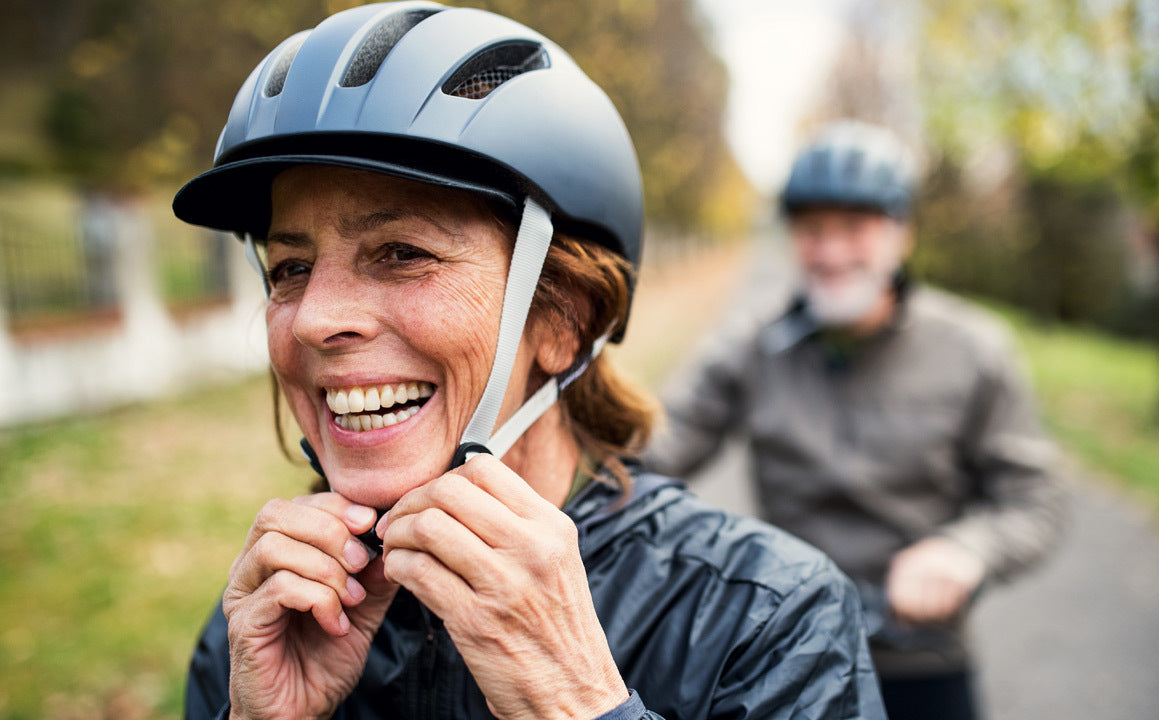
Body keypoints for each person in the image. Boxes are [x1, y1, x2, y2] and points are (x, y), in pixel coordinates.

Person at [173, 5, 886, 719]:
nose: (316, 320)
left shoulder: (771, 624)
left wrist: (579, 704)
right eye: (291, 268)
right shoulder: (268, 617)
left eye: (401, 254)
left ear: (564, 319)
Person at [643, 120, 1067, 720]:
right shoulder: (752, 345)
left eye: (855, 227)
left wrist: (964, 550)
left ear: (903, 234)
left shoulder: (975, 350)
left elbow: (1035, 499)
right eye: (814, 229)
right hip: (788, 650)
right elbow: (657, 448)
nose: (833, 251)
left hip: (923, 655)